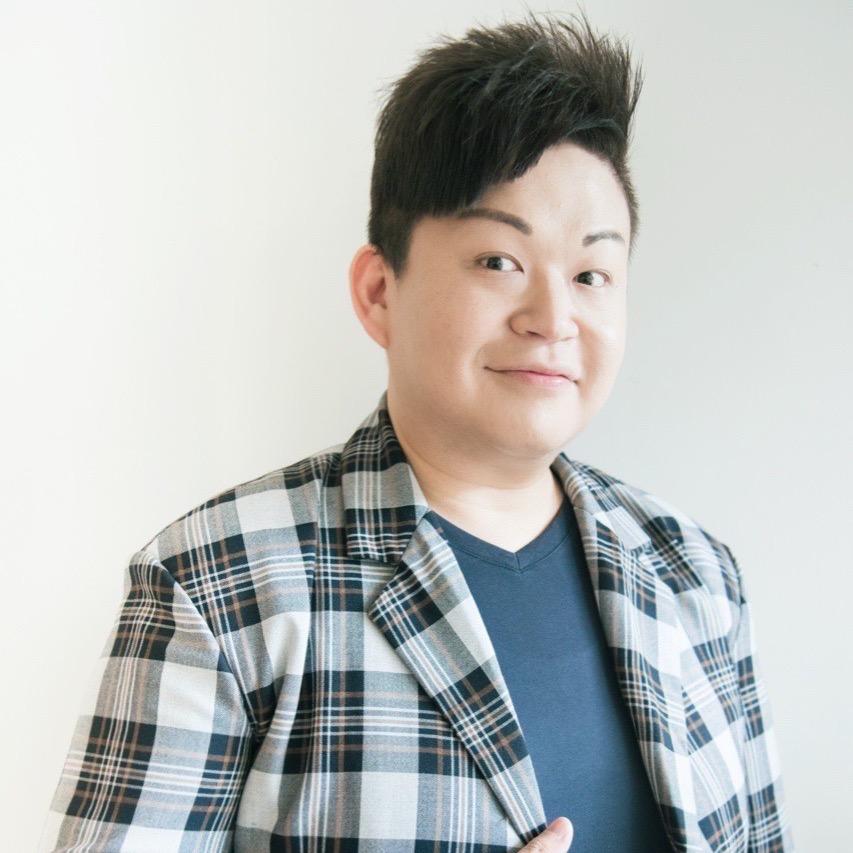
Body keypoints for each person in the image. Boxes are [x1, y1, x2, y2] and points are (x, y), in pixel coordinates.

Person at [40, 10, 793, 852]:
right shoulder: (216, 582)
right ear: (379, 292)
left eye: (591, 272)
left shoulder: (695, 574)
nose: (553, 317)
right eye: (498, 261)